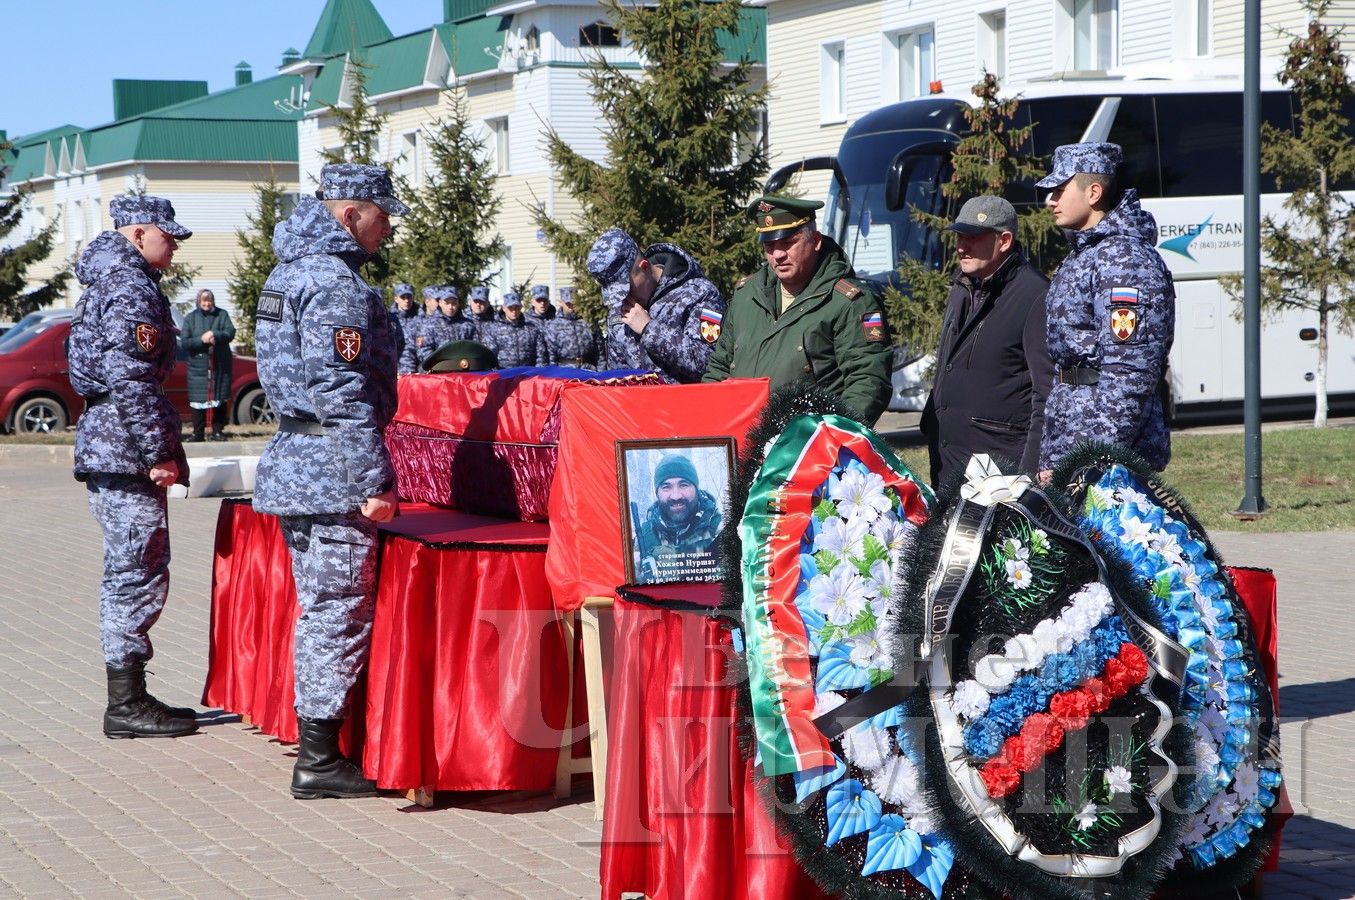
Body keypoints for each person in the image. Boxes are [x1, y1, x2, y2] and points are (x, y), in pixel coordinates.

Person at [253, 162, 406, 799]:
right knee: (337, 613)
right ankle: (320, 758)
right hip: (332, 469)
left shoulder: (286, 272)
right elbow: (342, 392)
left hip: (297, 458)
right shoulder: (334, 283)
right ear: (351, 214)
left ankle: (317, 746)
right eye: (382, 213)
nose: (389, 226)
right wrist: (373, 479)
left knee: (320, 610)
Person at [67, 194, 197, 739]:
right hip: (125, 448)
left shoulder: (109, 280)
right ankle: (125, 702)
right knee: (136, 570)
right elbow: (131, 379)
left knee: (132, 568)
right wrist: (157, 453)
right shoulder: (128, 287)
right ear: (138, 233)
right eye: (167, 235)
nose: (175, 243)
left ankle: (131, 693)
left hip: (111, 442)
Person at [1036, 142, 1176, 479]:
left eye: (1060, 189)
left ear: (1093, 192)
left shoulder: (1124, 260)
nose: (1050, 199)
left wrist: (1092, 459)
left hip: (1106, 449)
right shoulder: (1084, 254)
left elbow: (1129, 371)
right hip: (1072, 431)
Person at [703, 195, 892, 423]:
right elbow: (718, 370)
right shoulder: (746, 296)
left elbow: (868, 382)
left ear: (816, 240)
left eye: (788, 242)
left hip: (808, 447)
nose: (778, 255)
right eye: (769, 245)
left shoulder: (848, 302)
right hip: (742, 442)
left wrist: (833, 437)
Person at [920, 196, 1054, 487]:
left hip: (999, 466)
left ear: (1004, 240)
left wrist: (1028, 472)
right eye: (959, 236)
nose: (961, 246)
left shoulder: (1035, 295)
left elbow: (1045, 392)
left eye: (973, 237)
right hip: (949, 460)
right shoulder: (962, 286)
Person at [586, 228, 726, 382]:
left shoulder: (700, 294)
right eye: (616, 292)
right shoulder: (619, 308)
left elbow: (708, 362)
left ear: (644, 266)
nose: (623, 296)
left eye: (626, 287)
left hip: (685, 403)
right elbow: (617, 378)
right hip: (636, 405)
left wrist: (649, 329)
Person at [634, 453, 722, 583]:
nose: (675, 496)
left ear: (696, 488)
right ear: (657, 493)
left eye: (684, 485)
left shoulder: (722, 531)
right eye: (666, 487)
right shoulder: (642, 541)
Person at [180, 289, 236, 442]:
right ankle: (198, 433)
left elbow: (230, 332)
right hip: (198, 367)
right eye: (204, 301)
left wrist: (215, 334)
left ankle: (217, 431)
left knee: (219, 397)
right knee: (198, 400)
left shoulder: (222, 314)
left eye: (209, 300)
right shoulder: (191, 318)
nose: (206, 304)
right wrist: (202, 340)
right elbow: (185, 342)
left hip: (219, 364)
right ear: (199, 302)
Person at [479, 291, 549, 368]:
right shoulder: (493, 329)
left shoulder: (532, 329)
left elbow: (540, 355)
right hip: (504, 375)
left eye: (517, 307)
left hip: (528, 375)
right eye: (510, 308)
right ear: (504, 308)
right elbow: (489, 356)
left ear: (521, 307)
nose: (514, 311)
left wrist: (537, 372)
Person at [541, 286, 600, 369]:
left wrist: (601, 372)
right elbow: (550, 355)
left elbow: (599, 351)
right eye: (568, 304)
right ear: (561, 303)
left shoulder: (588, 322)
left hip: (588, 369)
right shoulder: (553, 325)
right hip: (565, 370)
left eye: (574, 303)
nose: (571, 307)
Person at [389, 282, 418, 370]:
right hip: (397, 364)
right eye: (403, 297)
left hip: (418, 363)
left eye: (409, 297)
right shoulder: (390, 318)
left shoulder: (420, 317)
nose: (406, 300)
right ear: (396, 299)